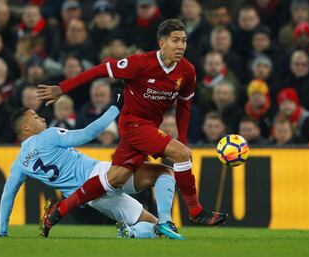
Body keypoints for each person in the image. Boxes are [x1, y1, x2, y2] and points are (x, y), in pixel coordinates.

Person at [36, 18, 228, 237]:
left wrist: (182, 140)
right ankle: (195, 211)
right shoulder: (140, 63)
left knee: (116, 178)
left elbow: (184, 107)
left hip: (148, 128)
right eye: (175, 40)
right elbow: (98, 71)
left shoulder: (187, 72)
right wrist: (62, 88)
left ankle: (58, 211)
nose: (180, 46)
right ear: (162, 43)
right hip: (132, 124)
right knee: (182, 155)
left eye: (183, 41)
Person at [0, 97, 183, 240]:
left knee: (154, 226)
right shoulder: (48, 135)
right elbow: (88, 133)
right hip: (99, 175)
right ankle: (166, 219)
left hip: (93, 200)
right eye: (36, 117)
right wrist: (115, 108)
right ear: (25, 127)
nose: (42, 118)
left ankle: (133, 232)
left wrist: (2, 230)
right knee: (164, 172)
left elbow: (8, 195)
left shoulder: (20, 163)